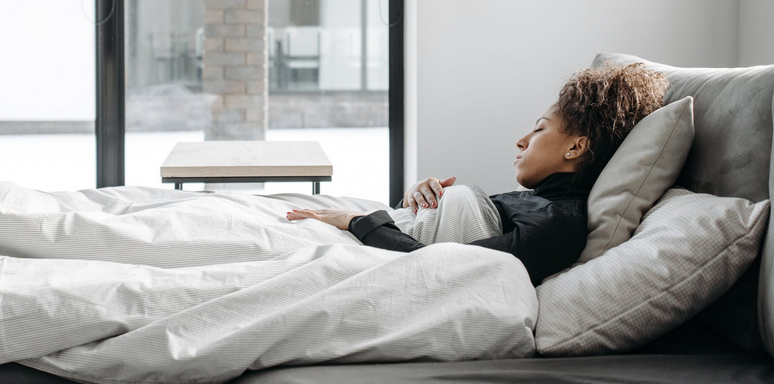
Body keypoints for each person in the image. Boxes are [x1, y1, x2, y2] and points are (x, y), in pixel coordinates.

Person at [286, 63, 669, 285]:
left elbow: (436, 264)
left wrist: (356, 220)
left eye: (538, 129)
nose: (521, 141)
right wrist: (418, 199)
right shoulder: (536, 203)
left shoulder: (558, 224)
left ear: (575, 147)